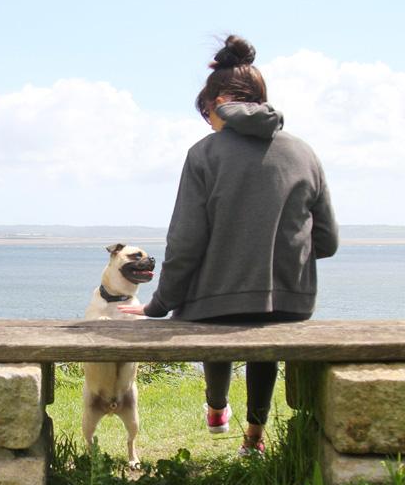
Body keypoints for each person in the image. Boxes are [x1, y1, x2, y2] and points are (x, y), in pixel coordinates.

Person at [119, 35, 338, 456]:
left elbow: (185, 244)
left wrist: (156, 305)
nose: (208, 123)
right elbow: (326, 242)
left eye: (206, 112)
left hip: (214, 304)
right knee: (262, 330)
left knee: (216, 303)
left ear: (217, 102)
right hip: (289, 304)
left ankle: (217, 406)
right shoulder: (305, 153)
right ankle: (253, 438)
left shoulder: (204, 154)